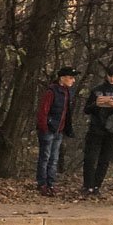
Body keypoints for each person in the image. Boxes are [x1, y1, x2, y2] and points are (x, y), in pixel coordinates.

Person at [82, 63, 113, 196]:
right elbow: (87, 109)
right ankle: (87, 186)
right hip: (96, 128)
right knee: (90, 158)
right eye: (110, 75)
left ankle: (97, 186)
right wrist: (96, 104)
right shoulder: (97, 89)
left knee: (105, 159)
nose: (112, 79)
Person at [35, 66, 77, 196]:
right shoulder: (51, 92)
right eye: (70, 78)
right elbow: (43, 111)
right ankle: (42, 183)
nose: (73, 80)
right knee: (45, 157)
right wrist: (45, 127)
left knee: (54, 158)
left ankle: (51, 183)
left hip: (59, 130)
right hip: (49, 129)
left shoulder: (67, 92)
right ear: (62, 78)